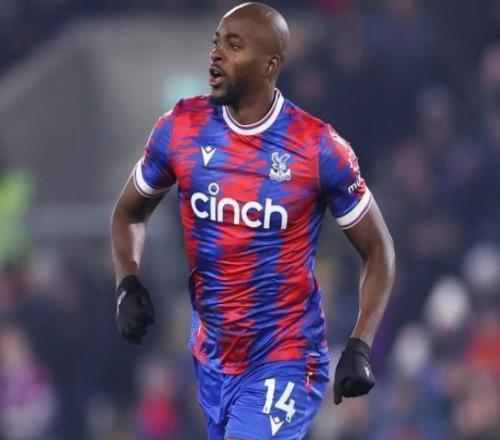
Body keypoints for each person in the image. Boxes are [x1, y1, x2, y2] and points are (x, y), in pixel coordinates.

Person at [110, 2, 395, 439]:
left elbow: (377, 249)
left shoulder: (317, 147)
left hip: (286, 357)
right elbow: (130, 211)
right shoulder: (181, 128)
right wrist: (127, 282)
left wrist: (360, 343)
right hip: (211, 359)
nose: (216, 54)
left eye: (234, 45)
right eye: (216, 42)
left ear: (269, 65)